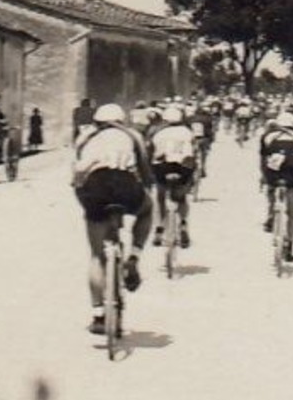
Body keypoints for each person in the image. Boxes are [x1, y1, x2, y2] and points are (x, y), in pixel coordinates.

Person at [72, 103, 155, 335]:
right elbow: (146, 173)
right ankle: (134, 258)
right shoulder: (132, 135)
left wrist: (85, 204)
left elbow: (77, 175)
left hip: (95, 187)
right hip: (125, 185)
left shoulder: (85, 137)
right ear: (122, 120)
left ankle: (98, 315)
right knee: (147, 209)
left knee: (97, 256)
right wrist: (146, 187)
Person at [259, 111, 293, 262]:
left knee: (271, 189)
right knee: (291, 212)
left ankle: (271, 213)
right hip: (292, 175)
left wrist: (264, 176)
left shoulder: (267, 136)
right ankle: (290, 244)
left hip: (273, 173)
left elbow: (263, 159)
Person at [148, 106, 198, 249]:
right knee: (181, 197)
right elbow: (193, 152)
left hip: (162, 168)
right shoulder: (188, 133)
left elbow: (151, 153)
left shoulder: (158, 133)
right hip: (183, 167)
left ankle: (158, 228)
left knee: (160, 196)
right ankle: (183, 224)